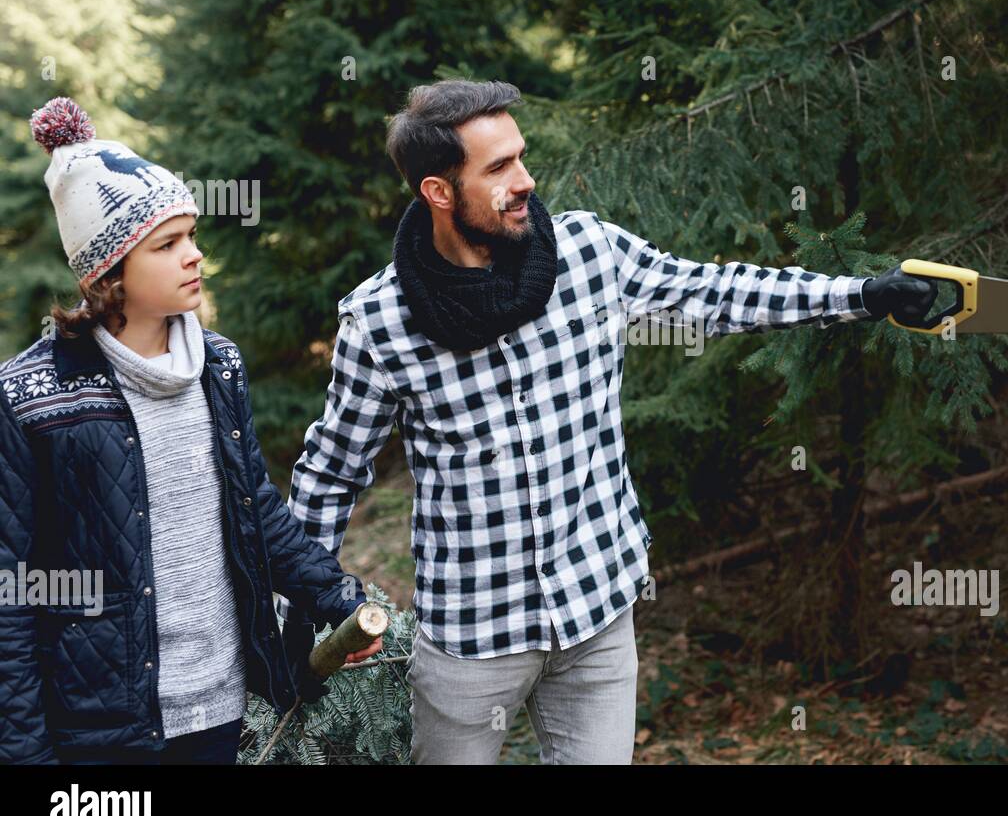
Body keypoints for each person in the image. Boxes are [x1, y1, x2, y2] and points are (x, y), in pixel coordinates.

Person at [284, 78, 938, 764]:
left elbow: (713, 294)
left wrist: (864, 295)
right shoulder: (381, 320)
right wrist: (300, 612)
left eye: (522, 157)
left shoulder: (590, 255)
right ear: (438, 192)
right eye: (498, 167)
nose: (525, 181)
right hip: (471, 640)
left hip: (597, 614)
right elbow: (330, 473)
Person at [0, 97, 381, 765]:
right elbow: (12, 589)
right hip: (100, 732)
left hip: (217, 706)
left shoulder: (219, 365)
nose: (195, 256)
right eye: (168, 243)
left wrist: (336, 594)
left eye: (193, 235)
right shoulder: (30, 396)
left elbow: (255, 507)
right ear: (106, 271)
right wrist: (27, 751)